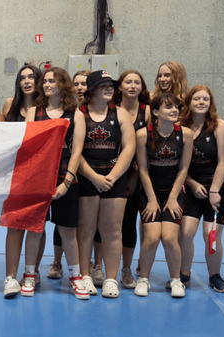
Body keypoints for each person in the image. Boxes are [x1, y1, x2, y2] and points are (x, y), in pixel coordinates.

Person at [26, 67, 89, 299]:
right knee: (35, 230)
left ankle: (75, 277)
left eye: (52, 81)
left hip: (66, 180)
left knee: (68, 232)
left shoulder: (76, 114)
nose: (46, 84)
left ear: (63, 84)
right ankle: (30, 274)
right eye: (45, 81)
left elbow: (77, 151)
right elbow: (31, 148)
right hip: (39, 181)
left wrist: (66, 181)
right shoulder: (34, 112)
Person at [76, 70, 136, 298]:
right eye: (104, 85)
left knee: (112, 231)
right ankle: (85, 276)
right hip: (87, 178)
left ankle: (111, 279)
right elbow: (76, 151)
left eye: (111, 85)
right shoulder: (79, 114)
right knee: (86, 230)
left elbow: (129, 148)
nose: (110, 88)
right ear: (92, 90)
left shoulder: (120, 114)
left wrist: (112, 176)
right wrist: (93, 177)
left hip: (114, 180)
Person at [133, 93, 193, 298]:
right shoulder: (143, 135)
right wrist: (151, 199)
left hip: (173, 192)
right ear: (156, 112)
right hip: (150, 192)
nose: (174, 110)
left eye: (176, 107)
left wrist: (173, 198)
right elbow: (142, 169)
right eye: (168, 107)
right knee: (150, 238)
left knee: (168, 238)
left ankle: (176, 280)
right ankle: (143, 279)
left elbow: (183, 169)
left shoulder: (185, 134)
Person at [0, 64, 48, 294]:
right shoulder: (11, 105)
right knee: (14, 225)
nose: (27, 81)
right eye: (22, 78)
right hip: (15, 176)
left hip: (40, 174)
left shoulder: (47, 108)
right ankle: (10, 277)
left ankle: (32, 271)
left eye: (31, 77)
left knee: (37, 226)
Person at [179, 85, 224, 293]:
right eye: (196, 99)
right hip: (192, 188)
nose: (201, 102)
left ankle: (215, 276)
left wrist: (214, 191)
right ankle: (184, 274)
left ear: (211, 103)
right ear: (189, 103)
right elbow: (179, 163)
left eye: (205, 99)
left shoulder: (219, 126)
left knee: (211, 235)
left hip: (216, 191)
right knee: (185, 233)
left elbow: (223, 162)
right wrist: (191, 183)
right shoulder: (182, 127)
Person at [111, 69, 152, 289]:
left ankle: (126, 270)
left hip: (135, 175)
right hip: (111, 173)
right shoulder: (111, 110)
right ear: (120, 86)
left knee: (129, 223)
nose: (133, 86)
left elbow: (148, 145)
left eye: (137, 82)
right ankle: (100, 266)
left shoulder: (146, 111)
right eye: (128, 82)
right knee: (107, 225)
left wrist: (136, 173)